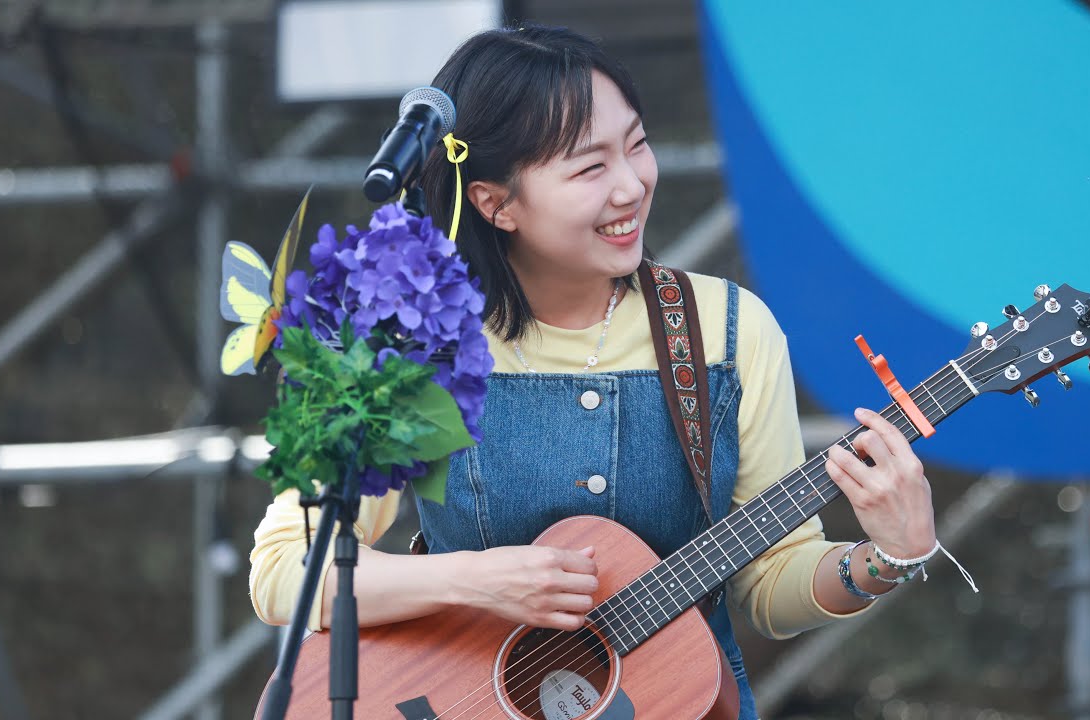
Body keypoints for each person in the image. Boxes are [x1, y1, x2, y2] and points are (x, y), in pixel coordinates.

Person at [249, 24, 938, 719]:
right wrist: (478, 581)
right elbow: (284, 571)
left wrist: (886, 557)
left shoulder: (728, 330)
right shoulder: (404, 340)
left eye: (637, 145)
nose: (632, 185)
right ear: (496, 202)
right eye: (589, 168)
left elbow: (770, 585)